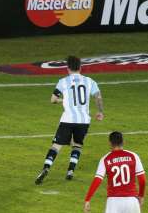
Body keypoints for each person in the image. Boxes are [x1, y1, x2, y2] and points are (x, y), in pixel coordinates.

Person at [35, 55, 104, 184]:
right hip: (84, 121)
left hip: (67, 119)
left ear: (67, 68)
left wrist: (63, 100)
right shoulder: (89, 81)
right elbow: (98, 97)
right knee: (77, 145)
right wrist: (100, 111)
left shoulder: (63, 82)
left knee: (56, 146)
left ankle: (46, 168)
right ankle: (70, 171)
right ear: (80, 67)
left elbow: (53, 100)